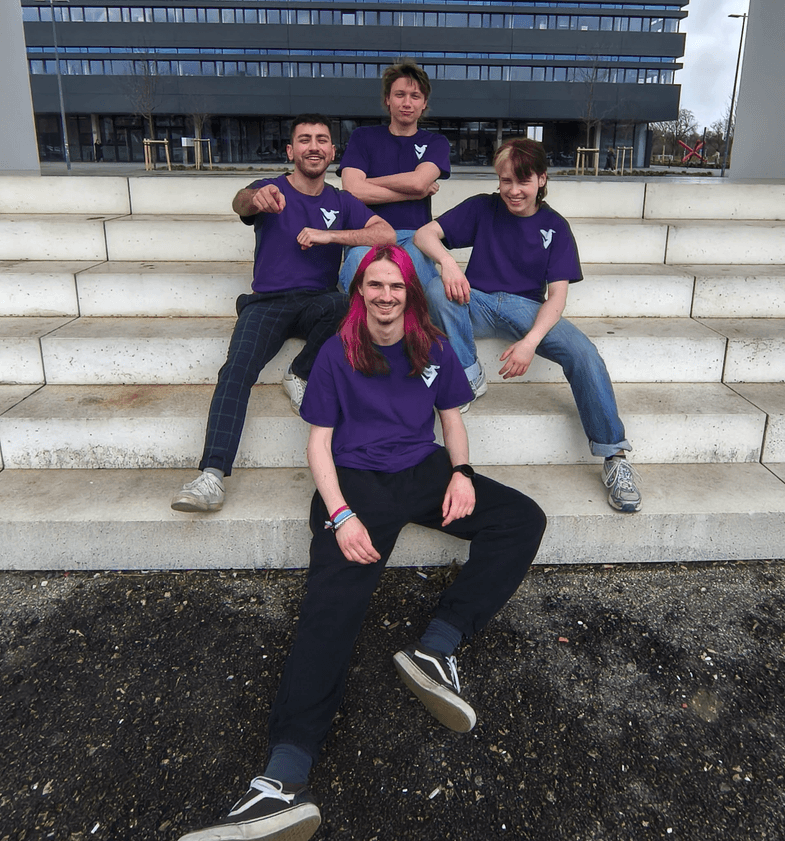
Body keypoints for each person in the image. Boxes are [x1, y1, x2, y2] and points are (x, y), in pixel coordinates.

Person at [170, 245, 546, 841]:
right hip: (356, 485)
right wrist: (341, 514)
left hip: (423, 473)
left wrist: (462, 473)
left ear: (409, 293)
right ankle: (279, 783)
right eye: (374, 285)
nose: (385, 296)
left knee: (522, 519)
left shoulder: (430, 346)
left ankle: (437, 646)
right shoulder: (338, 352)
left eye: (395, 286)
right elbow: (318, 444)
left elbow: (451, 418)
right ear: (361, 292)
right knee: (330, 613)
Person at [170, 114, 394, 513]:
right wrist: (251, 199)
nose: (314, 146)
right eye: (304, 140)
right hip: (268, 303)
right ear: (291, 151)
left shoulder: (341, 201)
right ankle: (211, 476)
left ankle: (300, 372)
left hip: (318, 302)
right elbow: (240, 200)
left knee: (346, 302)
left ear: (332, 152)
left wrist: (331, 235)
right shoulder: (269, 190)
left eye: (322, 140)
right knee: (236, 370)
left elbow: (385, 234)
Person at [414, 137, 642, 513]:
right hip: (478, 303)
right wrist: (449, 262)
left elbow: (556, 297)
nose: (513, 190)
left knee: (585, 354)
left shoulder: (555, 226)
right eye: (505, 181)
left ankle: (614, 456)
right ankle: (470, 373)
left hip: (528, 311)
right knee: (438, 289)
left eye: (523, 181)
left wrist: (530, 342)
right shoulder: (483, 208)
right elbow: (425, 234)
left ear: (541, 180)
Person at [337, 59, 451, 292]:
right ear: (388, 100)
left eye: (415, 96)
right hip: (368, 233)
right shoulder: (363, 137)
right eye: (400, 95)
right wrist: (413, 193)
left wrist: (368, 182)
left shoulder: (435, 142)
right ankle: (353, 327)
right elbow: (353, 192)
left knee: (424, 285)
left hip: (415, 236)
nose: (407, 103)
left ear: (424, 103)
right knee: (357, 266)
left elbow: (419, 181)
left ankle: (418, 329)